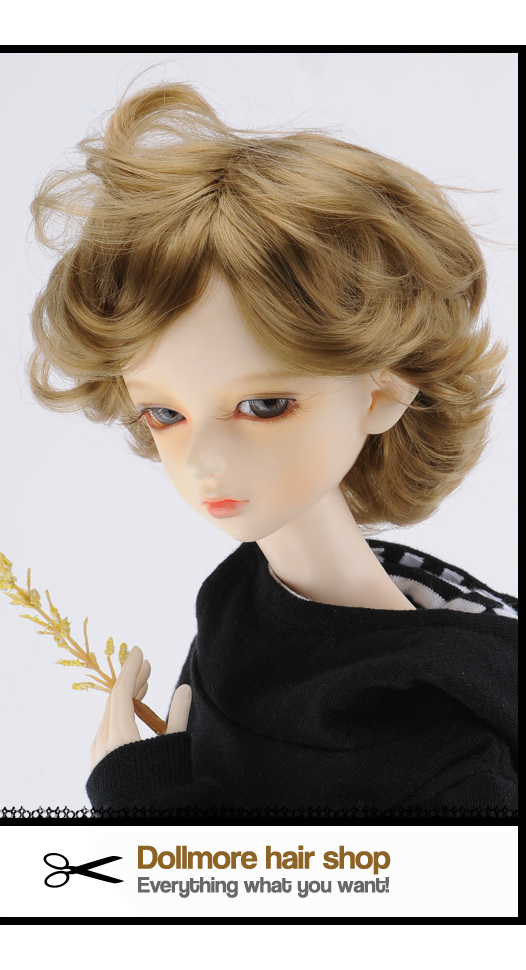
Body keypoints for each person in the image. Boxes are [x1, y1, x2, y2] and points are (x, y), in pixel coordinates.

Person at [28, 81, 517, 816]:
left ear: (382, 393)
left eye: (264, 405)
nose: (203, 462)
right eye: (164, 413)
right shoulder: (237, 601)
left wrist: (147, 810)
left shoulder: (436, 730)